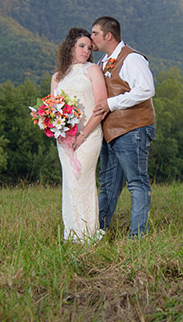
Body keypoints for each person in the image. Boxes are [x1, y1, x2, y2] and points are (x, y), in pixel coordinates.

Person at [91, 16, 156, 238]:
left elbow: (146, 89)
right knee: (108, 185)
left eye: (95, 33)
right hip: (111, 133)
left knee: (137, 183)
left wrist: (111, 103)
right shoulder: (102, 61)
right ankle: (96, 233)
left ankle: (137, 237)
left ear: (108, 36)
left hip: (133, 129)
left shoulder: (132, 59)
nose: (92, 38)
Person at [50, 27, 107, 242]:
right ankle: (72, 234)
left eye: (89, 47)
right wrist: (60, 133)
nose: (86, 51)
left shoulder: (92, 70)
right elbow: (53, 108)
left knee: (83, 180)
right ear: (70, 47)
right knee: (70, 183)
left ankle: (88, 234)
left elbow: (101, 106)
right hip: (65, 140)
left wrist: (82, 135)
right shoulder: (58, 76)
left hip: (89, 135)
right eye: (81, 46)